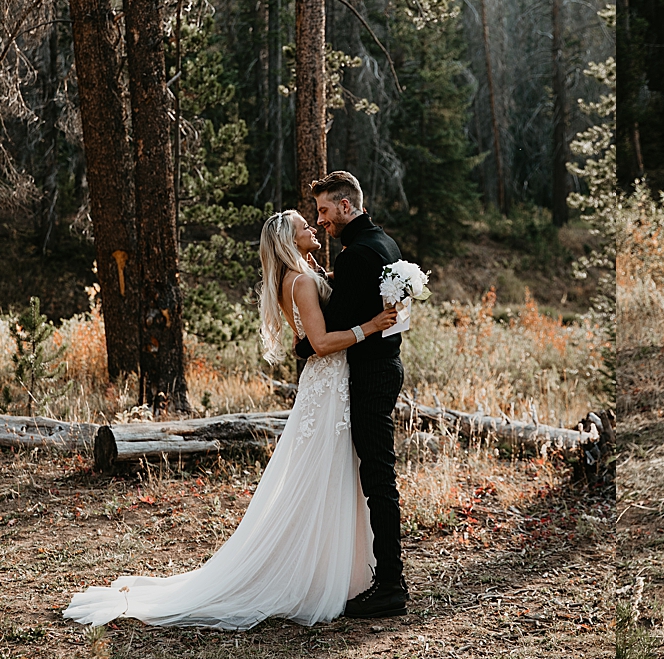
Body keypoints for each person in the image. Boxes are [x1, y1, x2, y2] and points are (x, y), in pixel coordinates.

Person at [64, 211, 398, 629]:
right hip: (328, 386)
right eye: (303, 226)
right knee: (322, 476)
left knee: (330, 475)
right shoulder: (301, 282)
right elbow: (321, 342)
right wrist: (371, 325)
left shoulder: (300, 276)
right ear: (288, 240)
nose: (313, 226)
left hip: (328, 386)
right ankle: (314, 573)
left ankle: (334, 569)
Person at [307, 171, 411, 618]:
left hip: (369, 375)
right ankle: (382, 576)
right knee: (377, 476)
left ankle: (390, 584)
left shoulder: (356, 255)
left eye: (325, 211)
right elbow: (366, 301)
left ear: (347, 206)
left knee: (379, 480)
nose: (321, 220)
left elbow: (335, 324)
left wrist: (303, 339)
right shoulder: (386, 245)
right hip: (388, 366)